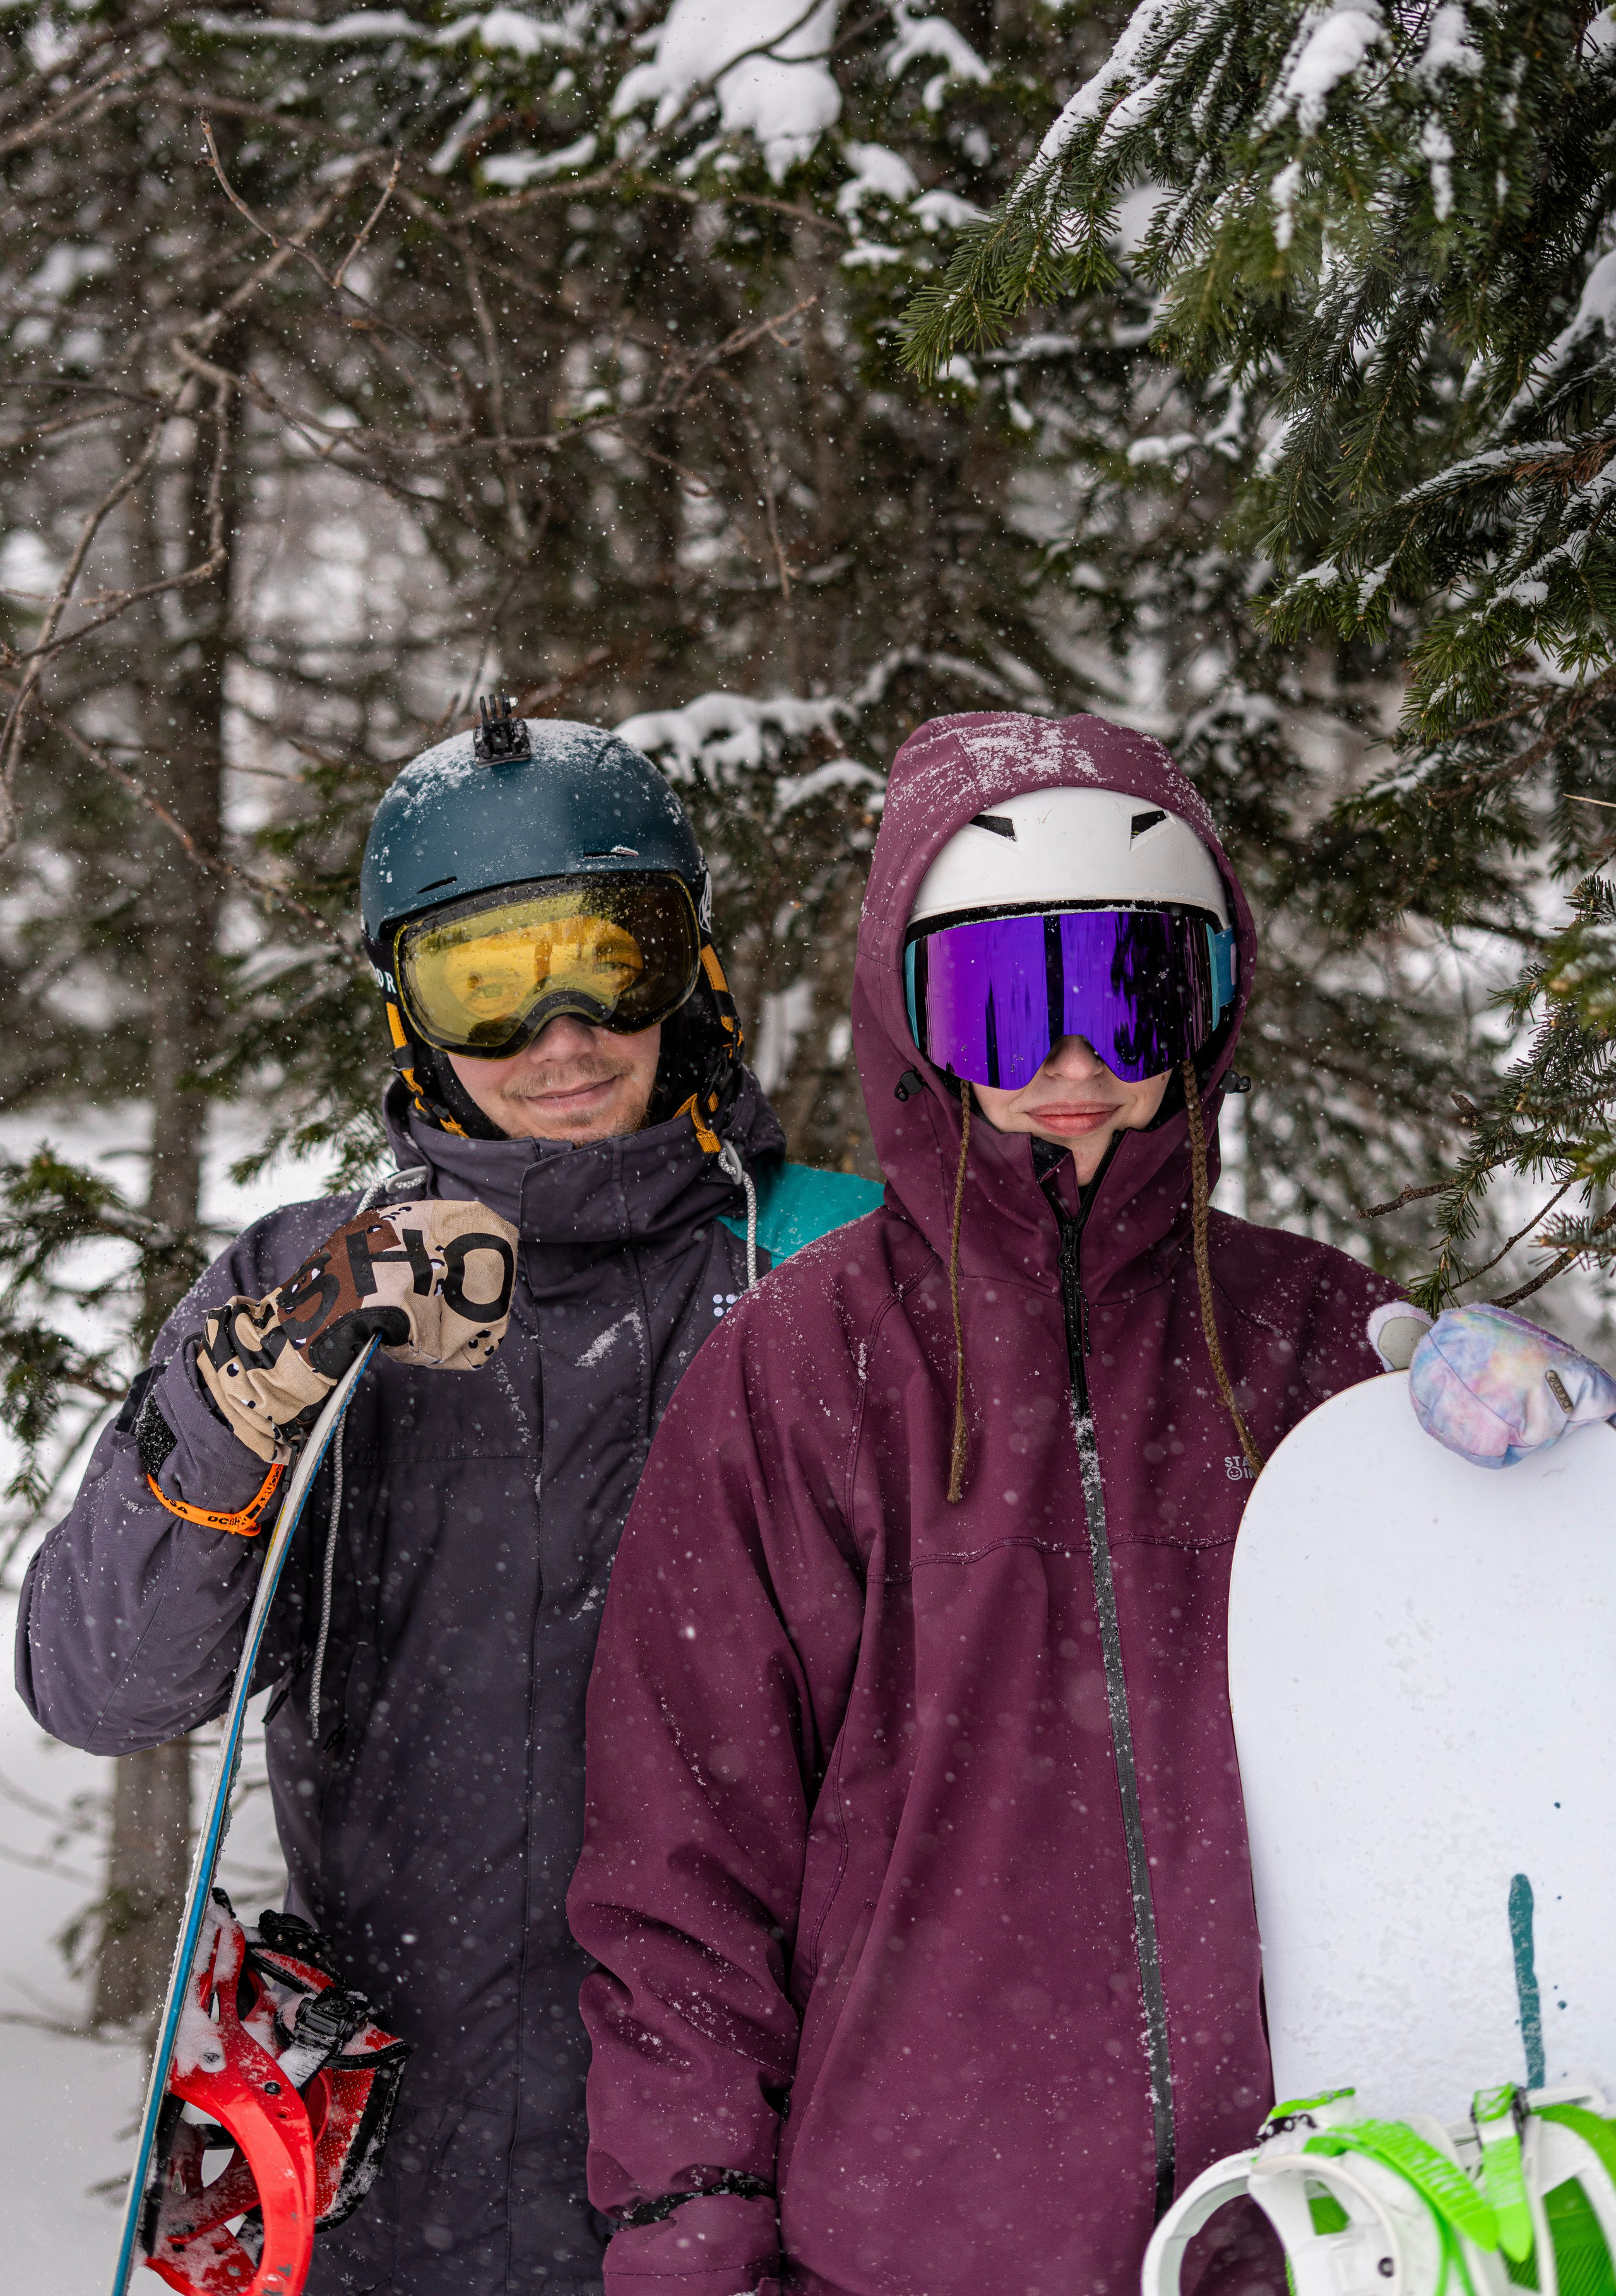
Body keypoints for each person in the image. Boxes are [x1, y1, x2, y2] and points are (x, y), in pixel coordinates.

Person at [566, 707, 1596, 2296]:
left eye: (1130, 994)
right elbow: (681, 1861)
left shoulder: (1317, 1346)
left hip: (1305, 2236)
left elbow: (1521, 1761)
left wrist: (1553, 1478)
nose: (1067, 1063)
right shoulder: (802, 1372)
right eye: (998, 1002)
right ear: (910, 1020)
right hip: (918, 2242)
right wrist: (694, 2234)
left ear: (1206, 1008)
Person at [15, 701, 880, 2296]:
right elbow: (95, 1684)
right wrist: (239, 1409)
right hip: (389, 2169)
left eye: (609, 958)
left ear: (686, 968)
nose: (558, 1035)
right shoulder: (300, 1285)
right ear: (409, 1012)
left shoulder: (825, 1271)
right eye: (485, 983)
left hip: (737, 2147)